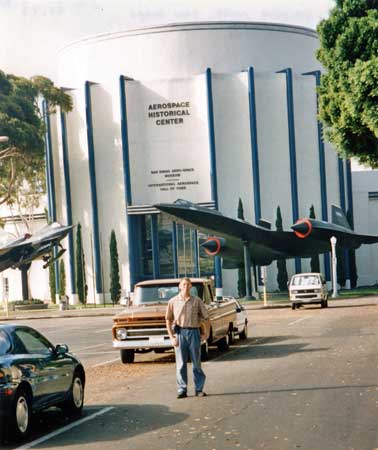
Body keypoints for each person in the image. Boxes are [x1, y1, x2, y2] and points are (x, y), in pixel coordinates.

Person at [166, 277, 210, 399]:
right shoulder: (173, 301)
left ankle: (199, 388)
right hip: (180, 333)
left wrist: (206, 333)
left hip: (194, 333)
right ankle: (182, 389)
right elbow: (168, 320)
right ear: (179, 286)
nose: (186, 287)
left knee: (196, 362)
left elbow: (206, 317)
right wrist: (171, 337)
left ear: (191, 287)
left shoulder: (197, 301)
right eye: (184, 284)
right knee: (180, 363)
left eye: (188, 284)